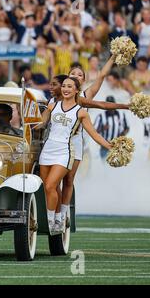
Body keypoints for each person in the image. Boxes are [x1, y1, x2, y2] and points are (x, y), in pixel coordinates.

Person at [37, 77, 112, 235]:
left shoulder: (81, 112)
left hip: (65, 151)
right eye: (64, 86)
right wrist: (36, 123)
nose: (65, 89)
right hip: (48, 149)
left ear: (76, 90)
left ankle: (51, 221)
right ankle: (57, 218)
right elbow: (42, 121)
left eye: (69, 86)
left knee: (51, 185)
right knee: (49, 188)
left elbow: (93, 134)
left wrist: (109, 145)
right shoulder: (52, 105)